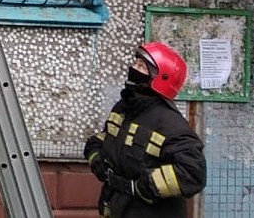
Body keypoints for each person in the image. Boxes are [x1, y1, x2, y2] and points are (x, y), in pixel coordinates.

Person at [83, 42, 207, 218]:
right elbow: (103, 139)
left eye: (141, 66)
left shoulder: (171, 124)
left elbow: (193, 173)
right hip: (117, 206)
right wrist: (97, 158)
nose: (133, 68)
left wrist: (146, 186)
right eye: (135, 63)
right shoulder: (125, 108)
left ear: (161, 78)